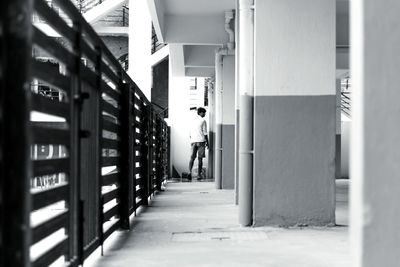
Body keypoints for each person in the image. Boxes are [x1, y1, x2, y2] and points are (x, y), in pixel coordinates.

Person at [188, 107, 208, 180]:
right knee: (200, 159)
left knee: (192, 158)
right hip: (201, 141)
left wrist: (193, 140)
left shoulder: (192, 121)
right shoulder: (203, 121)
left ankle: (189, 172)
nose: (204, 114)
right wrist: (207, 143)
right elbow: (205, 133)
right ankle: (199, 175)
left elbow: (190, 134)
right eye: (203, 112)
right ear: (200, 113)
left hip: (193, 141)